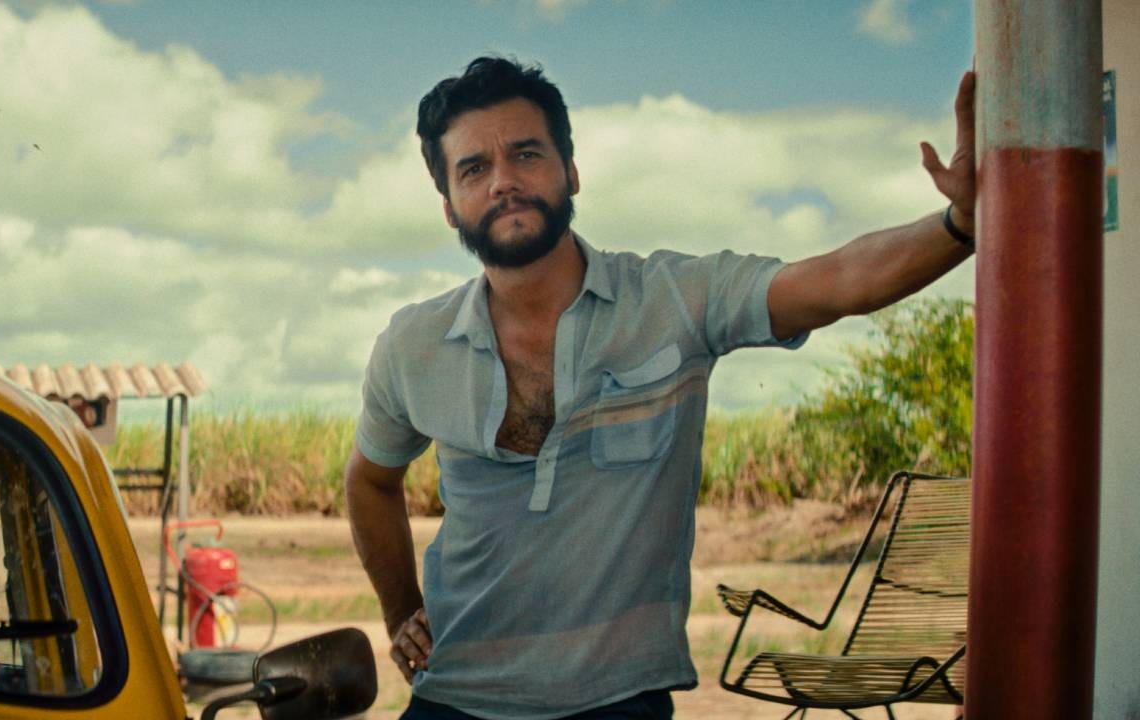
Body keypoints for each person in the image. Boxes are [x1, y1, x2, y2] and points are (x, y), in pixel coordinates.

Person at [345, 57, 975, 720]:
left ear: (571, 171)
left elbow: (840, 280)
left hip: (617, 700)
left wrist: (960, 223)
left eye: (526, 154)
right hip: (452, 695)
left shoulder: (674, 300)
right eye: (474, 168)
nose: (504, 180)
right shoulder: (413, 344)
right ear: (449, 206)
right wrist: (401, 611)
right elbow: (370, 481)